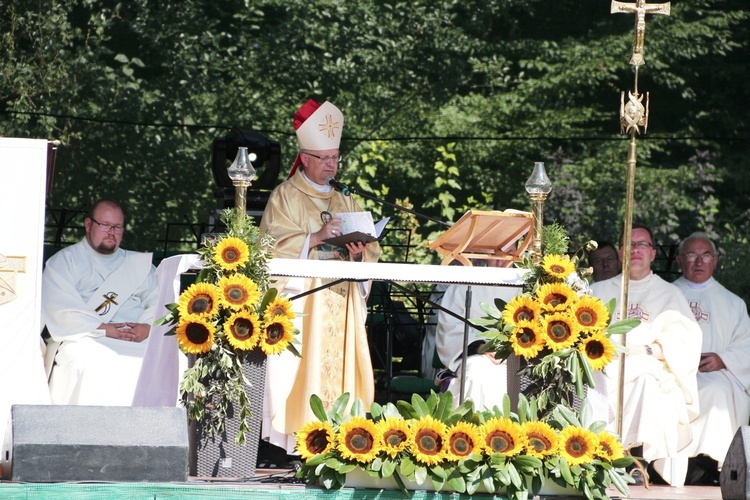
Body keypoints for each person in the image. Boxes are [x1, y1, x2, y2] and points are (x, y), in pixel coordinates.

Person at [259, 99, 381, 454]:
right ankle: (300, 446)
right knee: (303, 373)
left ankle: (341, 445)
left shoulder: (348, 200)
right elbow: (268, 247)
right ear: (306, 157)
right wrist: (314, 239)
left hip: (342, 301)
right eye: (324, 158)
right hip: (305, 304)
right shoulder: (286, 196)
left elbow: (370, 252)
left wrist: (359, 257)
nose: (331, 165)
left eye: (335, 158)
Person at [590, 223, 701, 486]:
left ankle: (636, 460)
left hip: (649, 367)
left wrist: (648, 350)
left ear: (653, 253)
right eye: (629, 244)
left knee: (647, 379)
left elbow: (685, 343)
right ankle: (597, 457)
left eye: (642, 244)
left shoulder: (671, 294)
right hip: (604, 366)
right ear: (620, 253)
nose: (636, 249)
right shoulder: (599, 291)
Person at [42, 198, 158, 406]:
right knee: (85, 360)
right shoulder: (64, 262)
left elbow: (160, 302)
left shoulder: (140, 266)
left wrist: (148, 328)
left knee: (170, 359)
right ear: (88, 225)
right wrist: (104, 329)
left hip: (137, 339)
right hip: (84, 337)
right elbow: (61, 309)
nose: (111, 232)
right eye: (105, 225)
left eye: (117, 227)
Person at [672, 232, 750, 485]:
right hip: (671, 373)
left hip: (717, 373)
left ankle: (709, 464)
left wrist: (723, 359)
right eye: (692, 255)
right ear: (679, 261)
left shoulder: (733, 303)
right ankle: (666, 464)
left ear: (715, 261)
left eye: (705, 255)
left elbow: (746, 344)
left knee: (716, 391)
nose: (699, 262)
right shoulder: (666, 296)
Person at [435, 259, 519, 410]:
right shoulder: (465, 283)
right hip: (478, 354)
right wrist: (481, 347)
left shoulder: (525, 283)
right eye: (496, 255)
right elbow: (451, 326)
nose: (501, 262)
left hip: (517, 357)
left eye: (510, 254)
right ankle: (474, 428)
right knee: (475, 372)